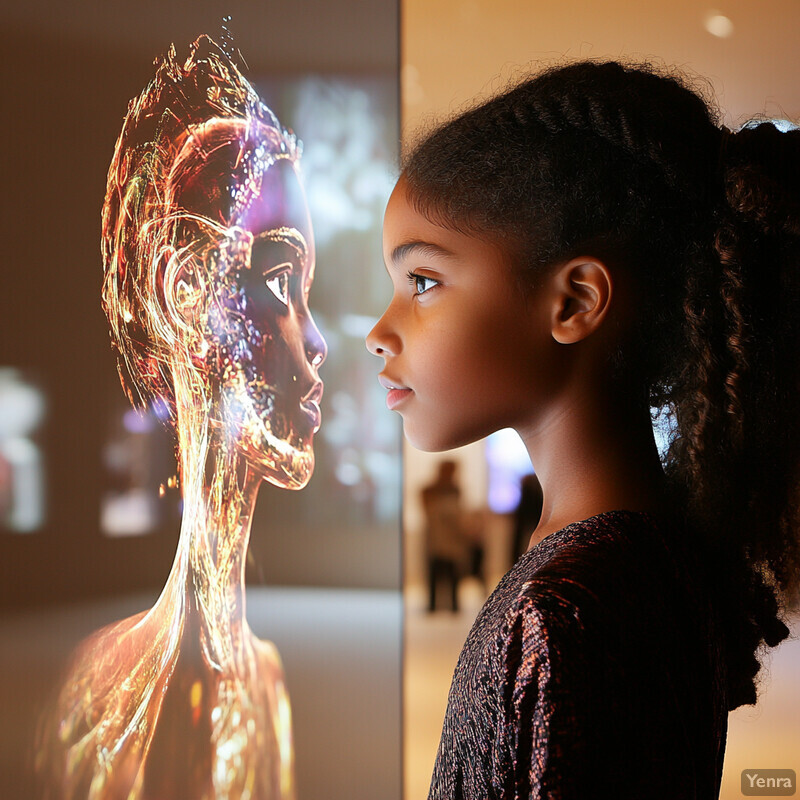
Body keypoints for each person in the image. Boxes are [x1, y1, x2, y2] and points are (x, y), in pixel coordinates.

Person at [367, 60, 800, 799]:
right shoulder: (640, 556)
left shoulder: (565, 610)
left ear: (574, 302)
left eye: (424, 283)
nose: (381, 332)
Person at [38, 37, 325, 800]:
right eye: (280, 281)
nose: (319, 339)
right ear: (186, 288)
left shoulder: (267, 683)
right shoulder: (101, 698)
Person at [422, 460, 468, 612]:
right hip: (437, 536)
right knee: (435, 572)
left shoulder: (455, 489)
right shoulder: (429, 490)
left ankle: (453, 605)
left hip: (451, 537)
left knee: (452, 572)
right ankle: (433, 605)